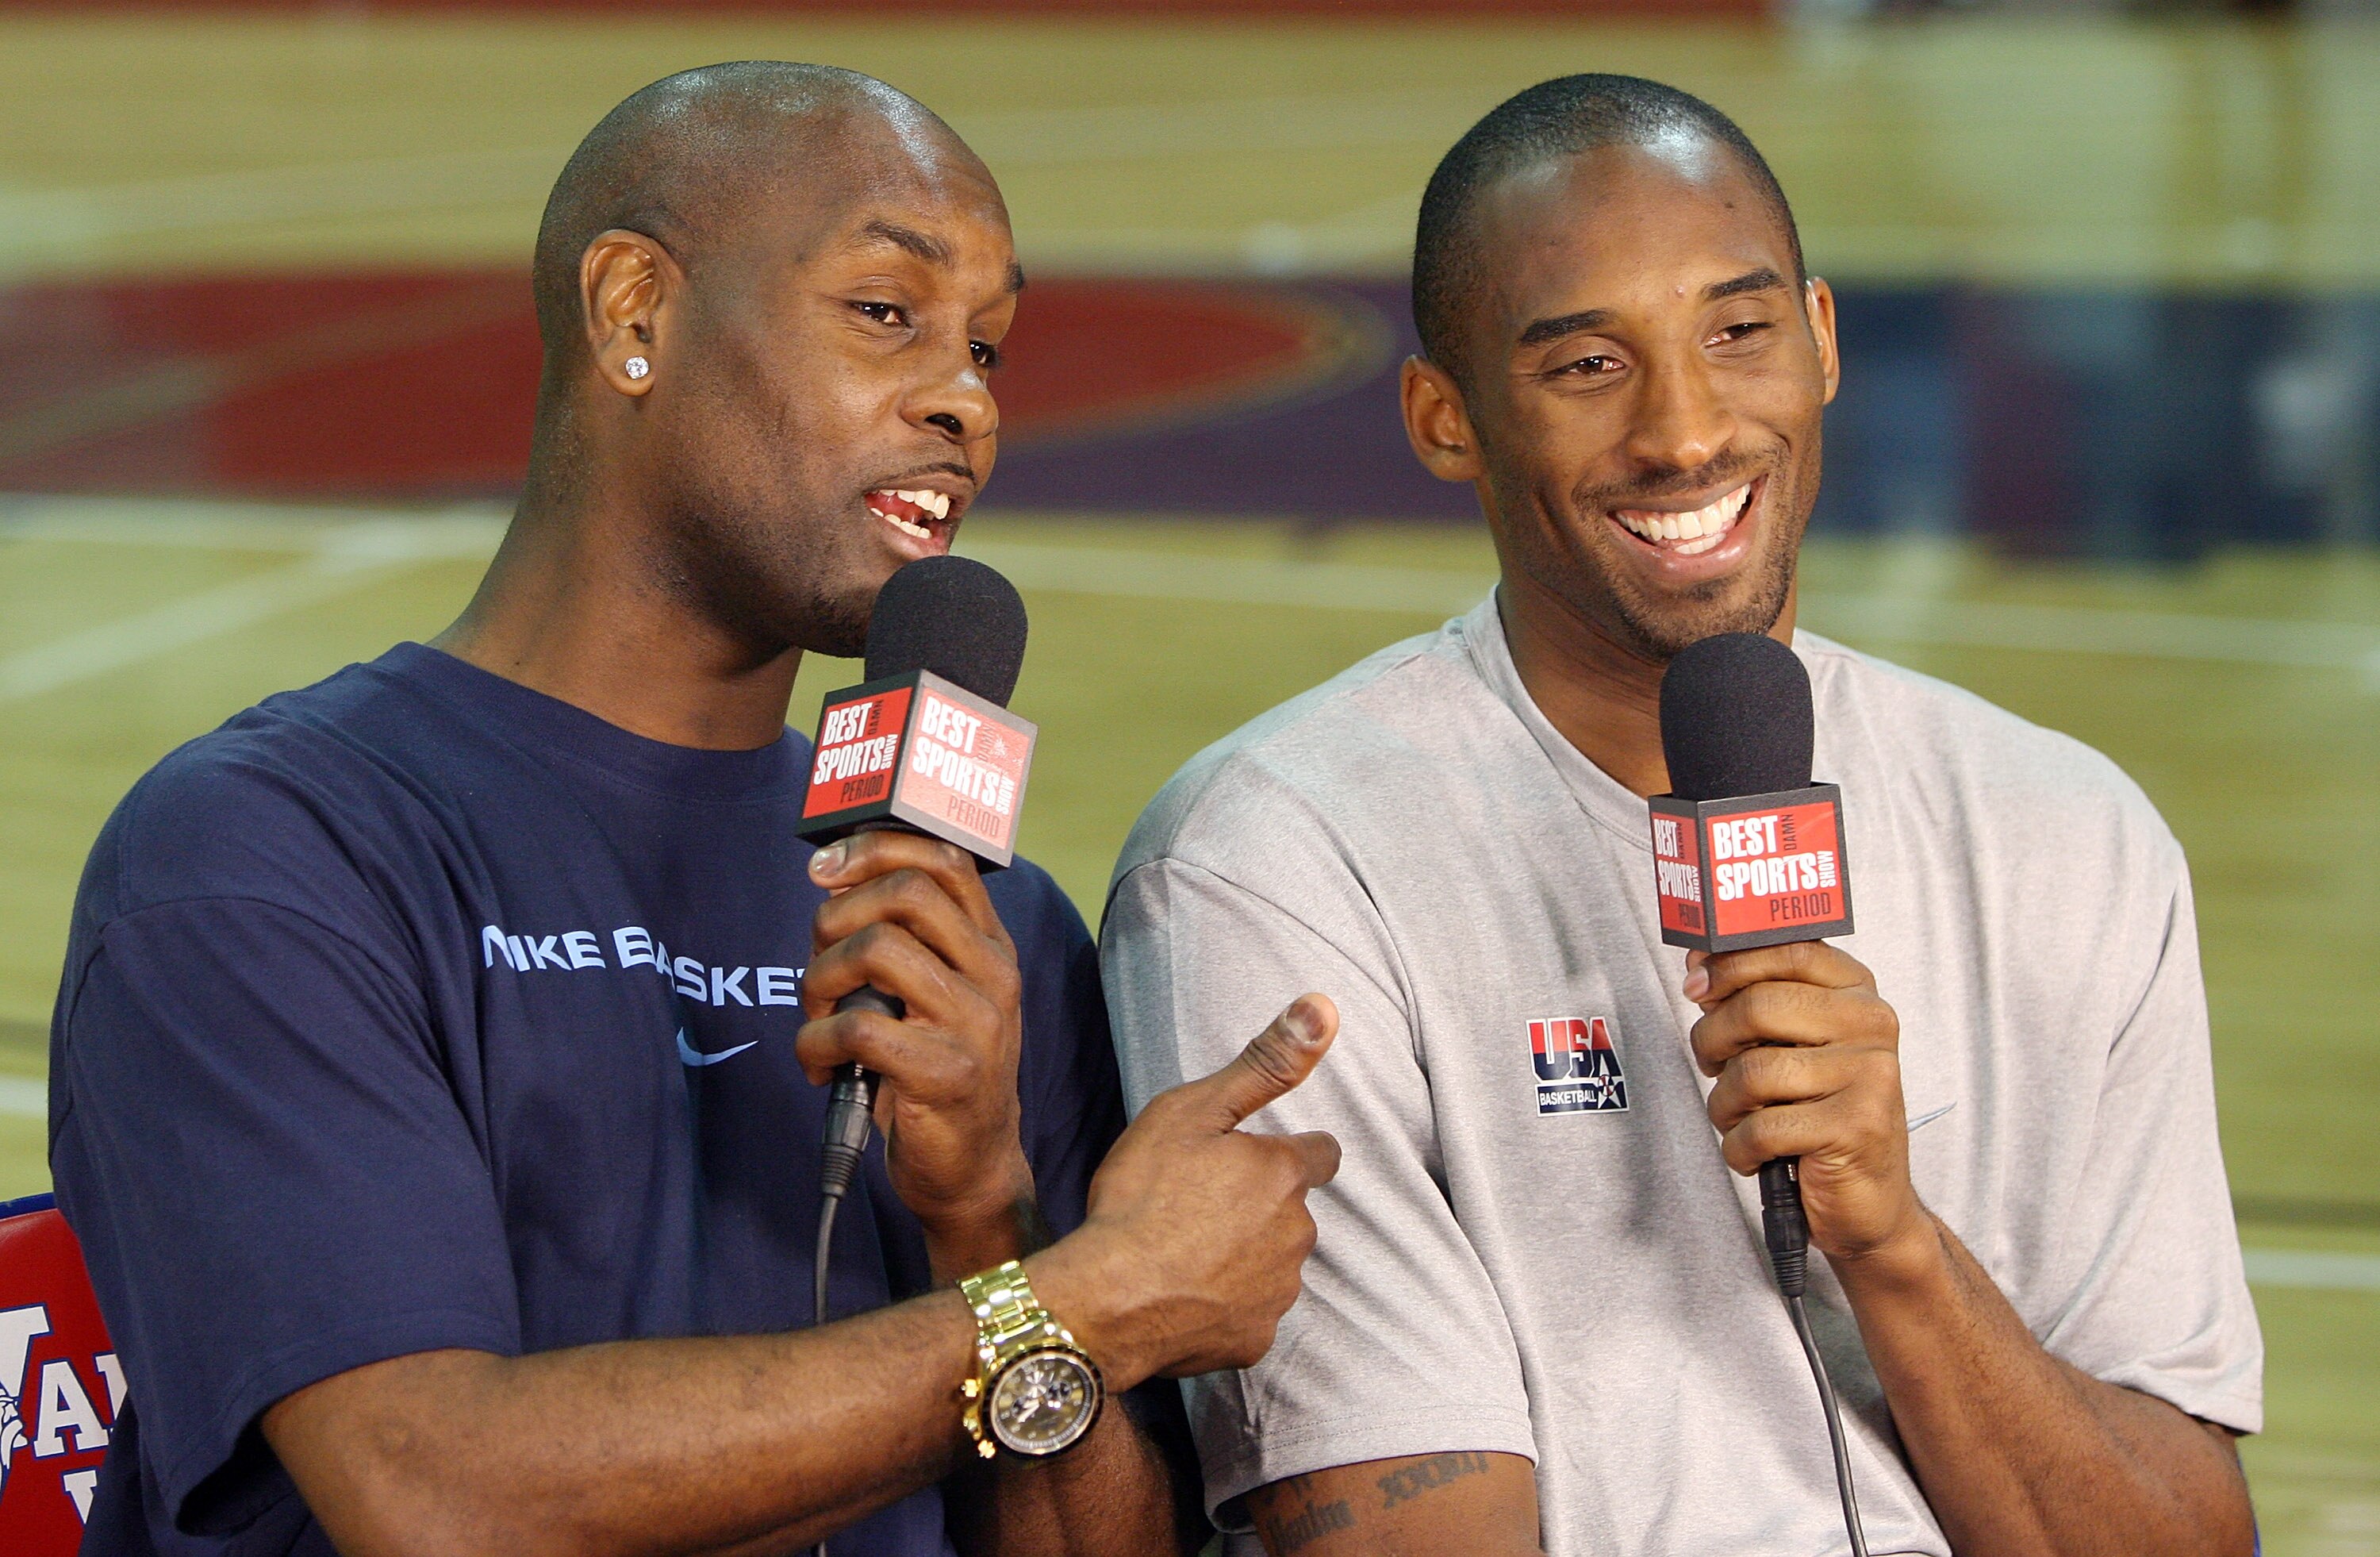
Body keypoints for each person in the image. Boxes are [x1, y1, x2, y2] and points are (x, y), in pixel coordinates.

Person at [49, 63, 1342, 1557]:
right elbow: (435, 1497)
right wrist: (1085, 1299)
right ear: (635, 314)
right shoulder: (265, 854)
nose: (967, 400)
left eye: (987, 347)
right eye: (885, 312)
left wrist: (985, 1215)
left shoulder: (980, 924)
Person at [1101, 75, 2261, 1557]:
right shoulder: (1272, 865)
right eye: (1589, 363)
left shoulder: (2070, 834)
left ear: (1826, 340)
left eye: (1738, 330)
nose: (1687, 429)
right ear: (1444, 419)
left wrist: (1896, 1245)